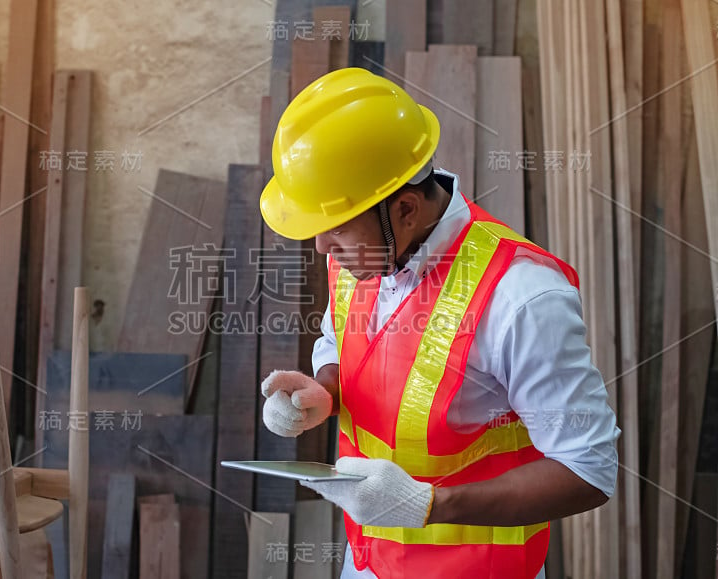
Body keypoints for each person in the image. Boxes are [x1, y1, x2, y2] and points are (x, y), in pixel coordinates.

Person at [258, 68, 620, 579]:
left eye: (333, 228)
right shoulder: (362, 250)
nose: (321, 249)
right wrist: (325, 390)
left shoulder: (520, 296)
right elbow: (341, 339)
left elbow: (589, 471)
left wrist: (427, 505)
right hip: (369, 561)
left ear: (405, 208)